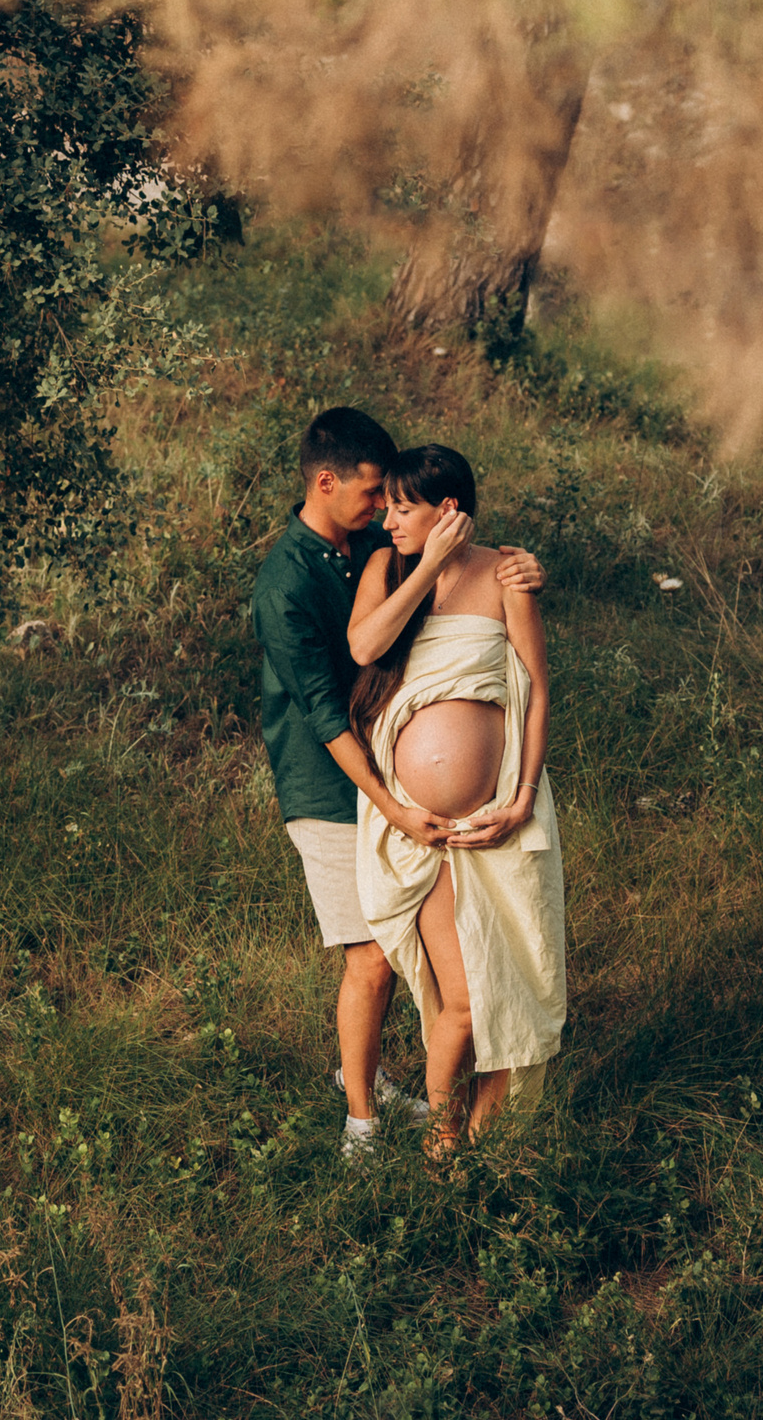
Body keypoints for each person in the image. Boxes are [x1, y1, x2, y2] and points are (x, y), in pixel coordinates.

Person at [252, 409, 545, 1159]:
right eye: (375, 494)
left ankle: (382, 1081)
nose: (384, 508)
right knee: (371, 956)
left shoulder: (376, 542)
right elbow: (326, 706)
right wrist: (393, 806)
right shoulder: (287, 581)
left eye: (393, 498)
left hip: (404, 784)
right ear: (327, 483)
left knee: (419, 964)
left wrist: (522, 564)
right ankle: (362, 1122)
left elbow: (468, 578)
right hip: (333, 781)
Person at [347, 444, 565, 1150]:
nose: (387, 522)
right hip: (424, 829)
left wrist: (523, 795)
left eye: (402, 508)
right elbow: (365, 645)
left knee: (510, 985)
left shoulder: (506, 573)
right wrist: (429, 565)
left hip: (498, 815)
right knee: (465, 1001)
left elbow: (534, 692)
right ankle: (444, 1142)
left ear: (445, 510)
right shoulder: (388, 569)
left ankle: (466, 1148)